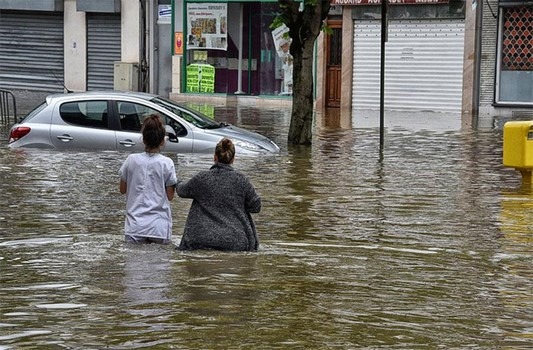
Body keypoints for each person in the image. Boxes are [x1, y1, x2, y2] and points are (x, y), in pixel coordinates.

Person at [176, 137, 261, 251]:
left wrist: (176, 180)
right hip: (235, 241)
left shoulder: (201, 178)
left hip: (200, 239)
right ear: (233, 159)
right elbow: (256, 207)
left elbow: (181, 191)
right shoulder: (242, 180)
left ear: (215, 157)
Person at [119, 114, 177, 244]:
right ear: (162, 141)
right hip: (159, 227)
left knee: (134, 263)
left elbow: (122, 189)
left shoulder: (131, 160)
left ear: (143, 139)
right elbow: (170, 196)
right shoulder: (167, 163)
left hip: (135, 226)